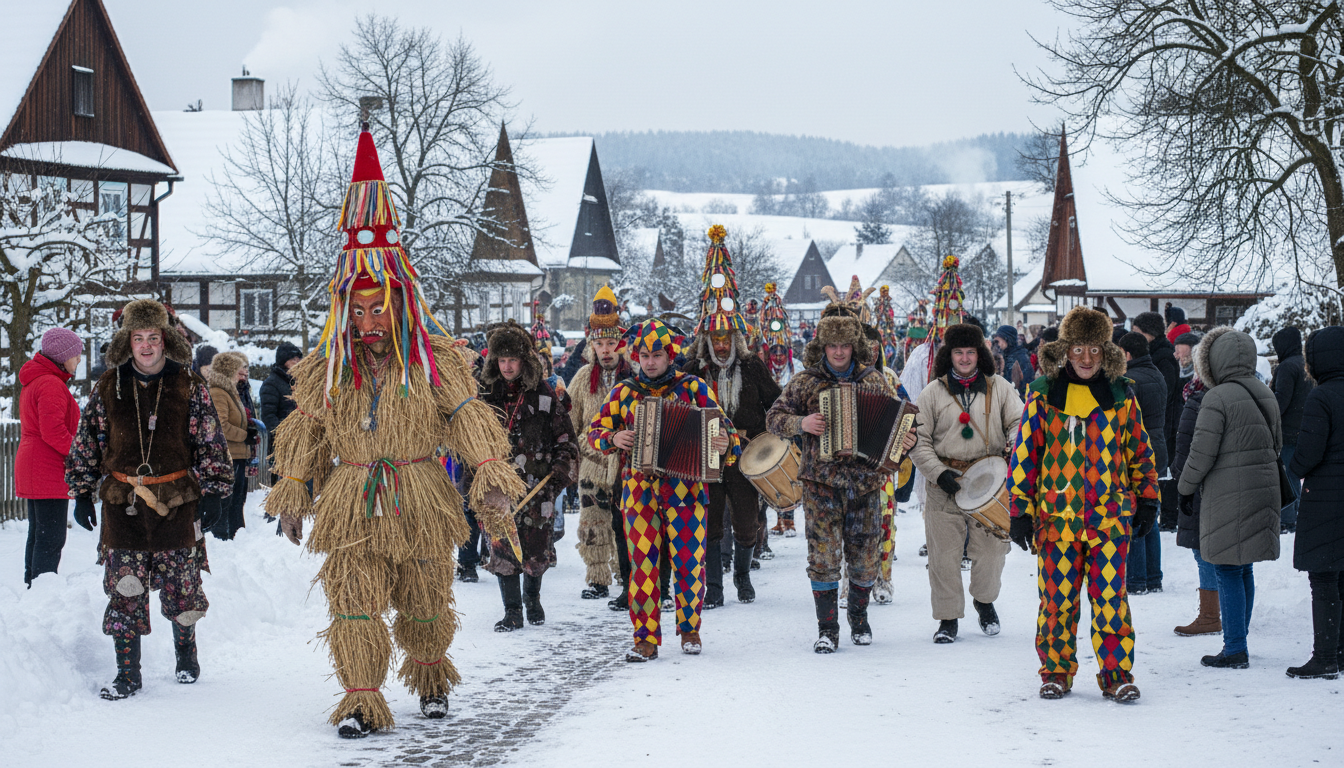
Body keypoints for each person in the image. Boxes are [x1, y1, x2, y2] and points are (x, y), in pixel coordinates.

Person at [266, 125, 526, 737]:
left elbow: (468, 420)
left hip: (420, 498)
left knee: (425, 603)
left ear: (399, 304)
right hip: (353, 503)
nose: (368, 321)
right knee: (353, 606)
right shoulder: (326, 371)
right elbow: (307, 435)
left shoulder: (434, 362)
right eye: (356, 311)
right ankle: (362, 699)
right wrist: (294, 492)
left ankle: (431, 681)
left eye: (377, 308)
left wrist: (490, 480)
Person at [65, 299, 233, 700]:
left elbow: (210, 440)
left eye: (152, 338)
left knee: (182, 586)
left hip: (177, 502)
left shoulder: (190, 386)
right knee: (125, 589)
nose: (145, 346)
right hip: (123, 505)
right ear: (128, 342)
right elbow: (88, 440)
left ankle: (186, 656)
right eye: (137, 338)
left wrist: (215, 491)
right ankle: (128, 673)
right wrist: (82, 492)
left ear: (165, 340)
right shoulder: (108, 386)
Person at [1007, 306, 1159, 702]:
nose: (1086, 358)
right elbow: (1025, 454)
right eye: (1078, 350)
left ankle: (1116, 675)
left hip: (1108, 519)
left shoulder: (1122, 397)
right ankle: (1055, 672)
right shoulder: (1042, 396)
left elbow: (1140, 453)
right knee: (1057, 602)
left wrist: (1147, 499)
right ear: (1065, 351)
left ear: (1105, 352)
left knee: (1110, 600)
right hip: (1056, 521)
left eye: (1094, 349)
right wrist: (1019, 510)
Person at [767, 305, 917, 653]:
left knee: (866, 558)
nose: (838, 351)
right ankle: (828, 628)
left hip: (865, 483)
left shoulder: (874, 380)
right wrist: (801, 424)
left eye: (844, 345)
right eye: (832, 345)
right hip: (820, 485)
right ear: (822, 346)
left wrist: (905, 443)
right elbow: (774, 418)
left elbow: (898, 425)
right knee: (822, 557)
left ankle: (859, 618)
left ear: (854, 346)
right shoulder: (805, 381)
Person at [587, 318, 739, 661]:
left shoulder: (694, 388)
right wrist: (613, 437)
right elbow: (594, 433)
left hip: (686, 491)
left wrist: (722, 441)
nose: (650, 361)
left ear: (670, 356)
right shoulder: (623, 392)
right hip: (638, 493)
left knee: (689, 562)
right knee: (642, 565)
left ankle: (690, 630)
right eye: (644, 355)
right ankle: (645, 637)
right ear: (636, 356)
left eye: (657, 354)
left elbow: (727, 434)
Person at [681, 228, 781, 606]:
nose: (721, 344)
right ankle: (715, 587)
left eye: (726, 338)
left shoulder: (753, 368)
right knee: (708, 520)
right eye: (715, 338)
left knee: (745, 520)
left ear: (735, 338)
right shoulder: (691, 369)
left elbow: (778, 405)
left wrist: (767, 438)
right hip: (704, 457)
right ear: (706, 338)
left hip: (744, 456)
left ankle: (741, 576)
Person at [1176, 326, 1282, 670]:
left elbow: (1201, 454)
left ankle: (1235, 647)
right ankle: (1241, 636)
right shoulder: (1266, 393)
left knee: (1225, 566)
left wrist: (1184, 488)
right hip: (1262, 489)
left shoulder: (1216, 398)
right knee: (1244, 565)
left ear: (1212, 361)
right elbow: (1277, 445)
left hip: (1227, 494)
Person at [909, 323, 1021, 643]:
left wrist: (1015, 444)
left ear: (980, 354)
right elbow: (919, 440)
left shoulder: (999, 387)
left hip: (990, 484)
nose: (965, 358)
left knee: (992, 551)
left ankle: (984, 602)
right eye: (958, 352)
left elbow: (1019, 422)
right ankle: (947, 619)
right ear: (950, 355)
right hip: (945, 482)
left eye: (971, 352)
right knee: (943, 556)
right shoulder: (931, 392)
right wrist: (937, 473)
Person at [474, 320, 577, 631]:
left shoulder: (544, 393)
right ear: (494, 361)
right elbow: (471, 439)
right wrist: (477, 478)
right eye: (501, 360)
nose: (507, 366)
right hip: (497, 487)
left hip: (538, 486)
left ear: (524, 361)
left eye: (513, 360)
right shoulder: (484, 395)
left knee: (535, 548)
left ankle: (532, 597)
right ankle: (512, 610)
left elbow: (565, 439)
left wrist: (560, 470)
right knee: (502, 546)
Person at [1286, 326, 1344, 679]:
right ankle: (1339, 652)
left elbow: (1308, 454)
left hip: (1325, 498)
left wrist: (1292, 469)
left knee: (1323, 578)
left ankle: (1324, 656)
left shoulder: (1321, 397)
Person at [569, 285, 633, 604]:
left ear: (620, 345)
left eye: (611, 343)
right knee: (593, 524)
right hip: (592, 462)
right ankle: (597, 578)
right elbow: (571, 422)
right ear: (591, 345)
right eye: (600, 344)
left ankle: (627, 575)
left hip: (627, 464)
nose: (605, 350)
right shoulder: (582, 378)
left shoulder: (634, 377)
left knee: (627, 523)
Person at [16, 327, 83, 586]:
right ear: (62, 356)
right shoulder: (50, 384)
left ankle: (34, 589)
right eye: (76, 354)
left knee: (39, 534)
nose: (78, 359)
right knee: (51, 537)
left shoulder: (40, 379)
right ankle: (42, 592)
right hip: (46, 467)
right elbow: (53, 431)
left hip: (37, 465)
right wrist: (79, 454)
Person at [1170, 345, 1221, 637]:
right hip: (1231, 486)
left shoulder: (1198, 399)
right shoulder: (1247, 392)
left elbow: (1186, 447)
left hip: (1201, 486)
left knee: (1205, 553)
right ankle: (1236, 613)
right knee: (1234, 558)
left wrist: (1183, 481)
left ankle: (1210, 615)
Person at [1117, 332, 1168, 594]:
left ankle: (1137, 579)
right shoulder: (1157, 373)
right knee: (1151, 514)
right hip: (1158, 446)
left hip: (1140, 450)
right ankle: (1153, 575)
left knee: (1135, 513)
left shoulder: (1131, 380)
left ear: (1126, 354)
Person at [205, 351, 253, 540]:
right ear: (228, 371)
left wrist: (248, 430)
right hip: (227, 456)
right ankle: (223, 536)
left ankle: (235, 534)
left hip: (237, 454)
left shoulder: (230, 392)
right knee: (227, 500)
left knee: (237, 500)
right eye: (237, 370)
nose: (241, 373)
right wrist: (244, 435)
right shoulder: (219, 393)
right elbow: (220, 426)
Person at [1272, 326, 1312, 534]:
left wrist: (1268, 416)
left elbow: (1281, 399)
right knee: (1295, 473)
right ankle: (1295, 514)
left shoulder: (1287, 367)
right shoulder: (1305, 364)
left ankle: (1288, 519)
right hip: (1304, 428)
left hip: (1287, 430)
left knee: (1287, 475)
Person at [260, 342, 303, 485]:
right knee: (283, 485)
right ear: (283, 361)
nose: (297, 362)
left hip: (302, 442)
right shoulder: (271, 383)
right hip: (282, 445)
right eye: (292, 359)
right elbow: (268, 416)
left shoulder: (299, 382)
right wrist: (284, 434)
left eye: (298, 359)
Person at [992, 324, 1033, 398]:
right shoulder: (1003, 355)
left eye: (999, 340)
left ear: (1007, 339)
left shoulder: (1021, 357)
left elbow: (1026, 383)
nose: (997, 343)